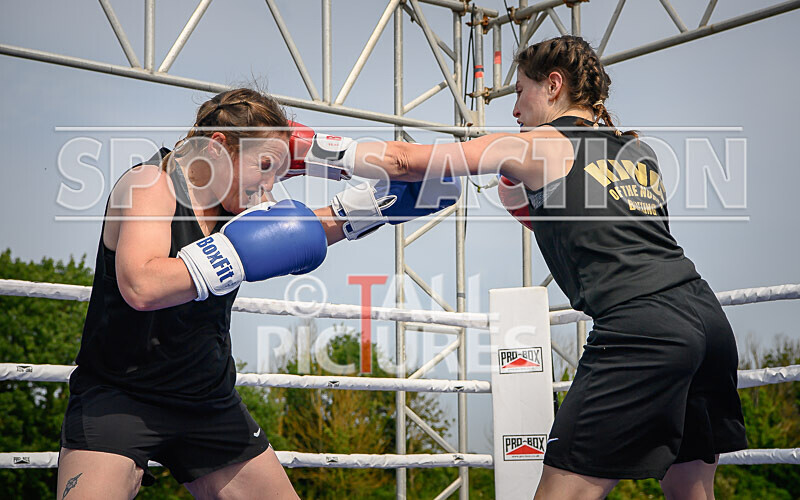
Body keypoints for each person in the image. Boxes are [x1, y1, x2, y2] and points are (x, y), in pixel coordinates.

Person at [297, 36, 747, 500]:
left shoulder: (538, 144)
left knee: (562, 491)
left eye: (519, 92)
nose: (513, 110)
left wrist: (309, 149)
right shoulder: (636, 150)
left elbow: (407, 162)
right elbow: (601, 235)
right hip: (706, 318)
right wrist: (527, 199)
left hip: (643, 328)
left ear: (553, 86)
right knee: (692, 492)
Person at [56, 88, 460, 499]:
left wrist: (369, 209)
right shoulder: (149, 184)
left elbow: (291, 233)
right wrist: (234, 251)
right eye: (264, 167)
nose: (269, 187)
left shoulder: (234, 201)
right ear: (217, 148)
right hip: (120, 398)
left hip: (206, 401)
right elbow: (141, 285)